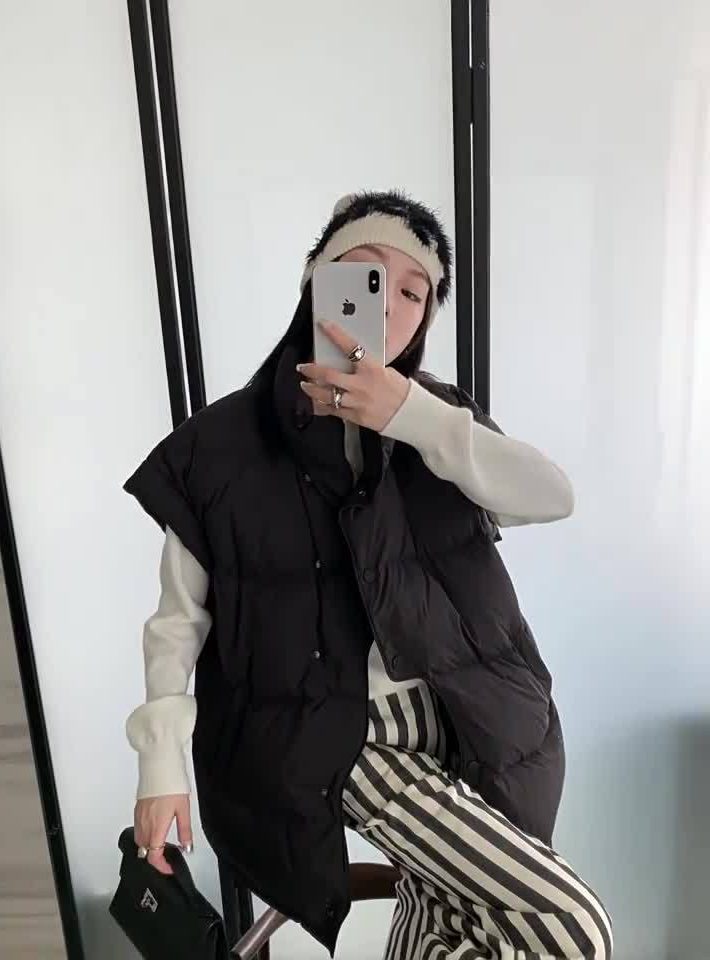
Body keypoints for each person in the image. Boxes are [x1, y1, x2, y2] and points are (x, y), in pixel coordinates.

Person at [123, 191, 613, 959]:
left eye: (414, 292)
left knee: (456, 927)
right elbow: (178, 620)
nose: (387, 305)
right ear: (319, 282)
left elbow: (552, 497)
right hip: (340, 736)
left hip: (466, 714)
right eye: (367, 276)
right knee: (566, 924)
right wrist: (160, 765)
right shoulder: (221, 445)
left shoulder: (436, 420)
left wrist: (409, 416)